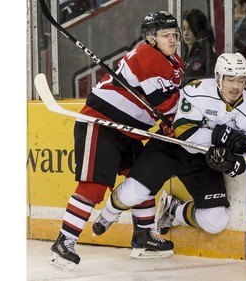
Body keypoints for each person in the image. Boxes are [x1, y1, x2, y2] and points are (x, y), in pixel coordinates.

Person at [49, 11, 184, 270]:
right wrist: (175, 122)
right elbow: (164, 103)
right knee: (93, 186)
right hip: (102, 122)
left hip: (130, 130)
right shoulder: (147, 55)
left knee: (141, 179)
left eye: (174, 35)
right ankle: (64, 241)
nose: (173, 40)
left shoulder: (173, 60)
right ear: (150, 38)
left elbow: (169, 103)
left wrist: (170, 123)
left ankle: (143, 237)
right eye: (166, 35)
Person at [92, 53, 246, 254]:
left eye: (241, 80)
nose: (235, 86)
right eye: (230, 79)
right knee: (132, 193)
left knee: (215, 220)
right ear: (219, 78)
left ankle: (174, 210)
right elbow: (183, 132)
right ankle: (108, 213)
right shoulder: (196, 90)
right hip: (170, 147)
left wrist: (233, 164)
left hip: (203, 161)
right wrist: (219, 137)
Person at [181, 9, 218, 86]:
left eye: (190, 29)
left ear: (199, 30)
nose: (185, 33)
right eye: (184, 29)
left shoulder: (209, 58)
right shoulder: (182, 55)